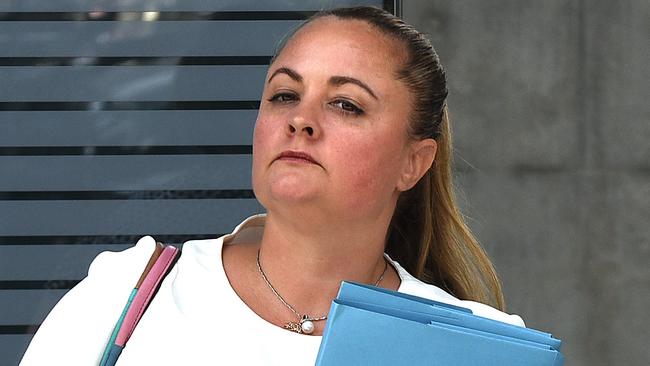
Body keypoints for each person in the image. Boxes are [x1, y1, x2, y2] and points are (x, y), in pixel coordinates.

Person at [21, 6, 524, 365]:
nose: (302, 120)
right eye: (284, 95)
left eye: (345, 103)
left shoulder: (474, 348)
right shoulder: (127, 295)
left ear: (414, 163)